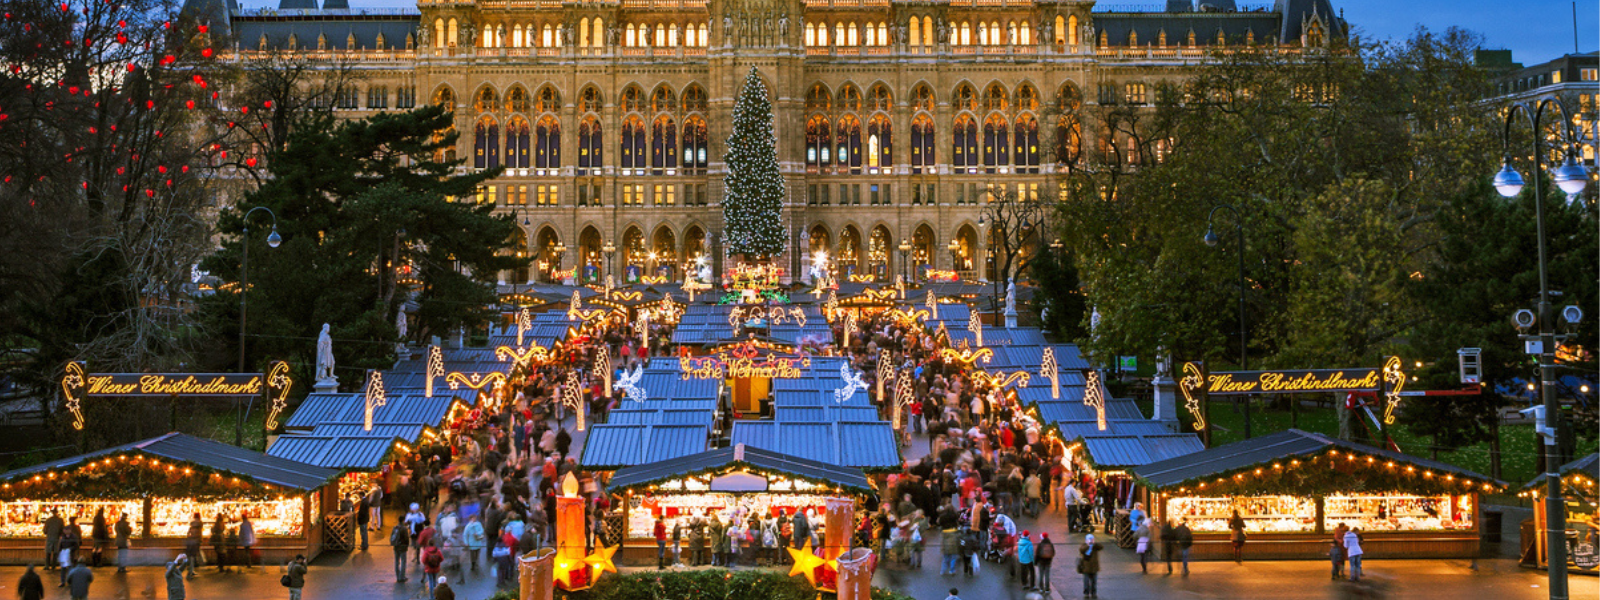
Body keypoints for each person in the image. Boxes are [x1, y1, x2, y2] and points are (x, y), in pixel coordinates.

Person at [1078, 534, 1103, 599]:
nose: (1091, 540)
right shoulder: (1084, 545)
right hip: (1086, 568)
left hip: (1094, 568)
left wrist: (1094, 544)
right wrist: (1088, 545)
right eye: (1089, 539)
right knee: (1086, 582)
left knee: (1094, 582)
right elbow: (1081, 550)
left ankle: (1093, 593)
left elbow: (1101, 547)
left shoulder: (1095, 546)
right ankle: (1086, 593)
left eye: (1092, 539)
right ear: (1086, 540)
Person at [58, 518, 80, 588]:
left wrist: (70, 549)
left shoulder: (73, 537)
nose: (65, 531)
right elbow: (60, 545)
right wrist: (60, 551)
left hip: (70, 554)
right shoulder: (63, 537)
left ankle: (70, 582)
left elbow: (76, 545)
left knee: (70, 568)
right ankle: (63, 582)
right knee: (63, 569)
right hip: (64, 554)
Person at [184, 513, 202, 579]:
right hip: (196, 541)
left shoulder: (191, 525)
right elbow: (199, 534)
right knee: (193, 556)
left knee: (191, 556)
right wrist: (200, 540)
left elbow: (188, 533)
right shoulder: (199, 524)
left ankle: (191, 569)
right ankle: (190, 572)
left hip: (191, 541)